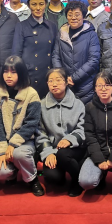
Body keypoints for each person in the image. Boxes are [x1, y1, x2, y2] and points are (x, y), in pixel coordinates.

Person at [0, 56, 44, 196]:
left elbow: (31, 124)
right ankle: (12, 174)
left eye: (13, 72)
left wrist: (13, 144)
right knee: (0, 171)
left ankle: (32, 179)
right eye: (5, 71)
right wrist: (1, 152)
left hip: (24, 141)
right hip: (3, 141)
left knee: (19, 154)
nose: (8, 75)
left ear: (21, 73)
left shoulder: (31, 94)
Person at [37, 68, 87, 197]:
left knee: (63, 155)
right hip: (53, 149)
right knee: (53, 179)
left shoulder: (78, 104)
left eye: (58, 80)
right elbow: (40, 133)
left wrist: (70, 139)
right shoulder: (41, 105)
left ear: (66, 82)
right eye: (51, 81)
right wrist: (48, 153)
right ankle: (63, 173)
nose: (54, 84)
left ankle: (76, 180)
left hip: (74, 149)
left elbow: (82, 128)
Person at [52, 0, 100, 104]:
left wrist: (73, 78)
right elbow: (56, 57)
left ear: (83, 16)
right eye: (70, 15)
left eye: (77, 15)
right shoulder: (61, 33)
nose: (73, 18)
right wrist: (63, 77)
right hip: (65, 86)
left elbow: (93, 60)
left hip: (86, 86)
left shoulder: (91, 34)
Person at [12, 0, 58, 98]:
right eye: (34, 4)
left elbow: (55, 52)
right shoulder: (21, 26)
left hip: (48, 76)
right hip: (29, 76)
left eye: (41, 4)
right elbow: (16, 55)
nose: (38, 8)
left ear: (46, 4)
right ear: (28, 5)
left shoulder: (52, 26)